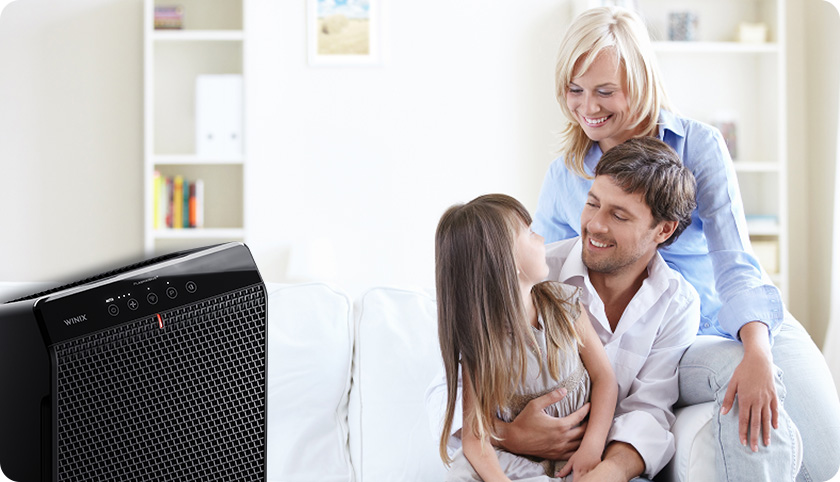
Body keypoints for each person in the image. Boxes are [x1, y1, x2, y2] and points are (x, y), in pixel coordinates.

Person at [531, 6, 840, 482]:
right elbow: (549, 287)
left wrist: (757, 349)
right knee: (739, 381)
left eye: (605, 91)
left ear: (640, 81)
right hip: (673, 336)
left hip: (733, 314)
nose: (588, 106)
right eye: (575, 89)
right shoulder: (566, 174)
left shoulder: (700, 145)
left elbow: (736, 261)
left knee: (825, 454)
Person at [427, 137, 701, 482]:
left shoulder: (676, 303)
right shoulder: (535, 272)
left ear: (663, 229)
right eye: (592, 203)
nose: (595, 224)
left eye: (619, 215)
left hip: (594, 465)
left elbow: (649, 408)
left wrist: (606, 469)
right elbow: (448, 396)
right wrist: (511, 436)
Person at [434, 193, 617, 481]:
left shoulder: (563, 303)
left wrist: (592, 447)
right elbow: (474, 434)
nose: (542, 238)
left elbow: (605, 378)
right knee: (462, 469)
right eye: (530, 233)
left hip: (576, 457)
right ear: (506, 259)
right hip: (520, 463)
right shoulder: (483, 342)